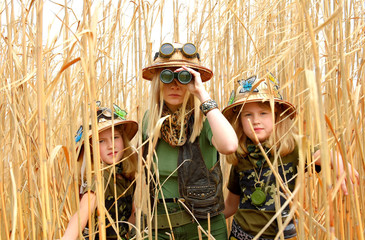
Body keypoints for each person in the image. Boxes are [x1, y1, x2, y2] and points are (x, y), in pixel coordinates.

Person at [222, 74, 360, 240]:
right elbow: (231, 205)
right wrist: (201, 220)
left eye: (263, 113)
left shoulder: (292, 148)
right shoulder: (241, 155)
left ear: (277, 116)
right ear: (239, 121)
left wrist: (338, 161)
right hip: (241, 234)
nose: (255, 121)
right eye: (248, 115)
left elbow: (323, 155)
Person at [141, 42, 238, 239]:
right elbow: (139, 174)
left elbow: (229, 145)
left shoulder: (206, 117)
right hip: (160, 226)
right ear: (158, 82)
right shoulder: (149, 120)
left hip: (205, 225)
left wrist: (202, 94)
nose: (175, 84)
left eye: (183, 77)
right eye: (167, 77)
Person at [62, 102, 138, 240]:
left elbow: (131, 214)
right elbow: (81, 214)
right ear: (91, 149)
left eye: (115, 137)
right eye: (101, 141)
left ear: (124, 140)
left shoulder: (126, 177)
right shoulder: (99, 179)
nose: (111, 145)